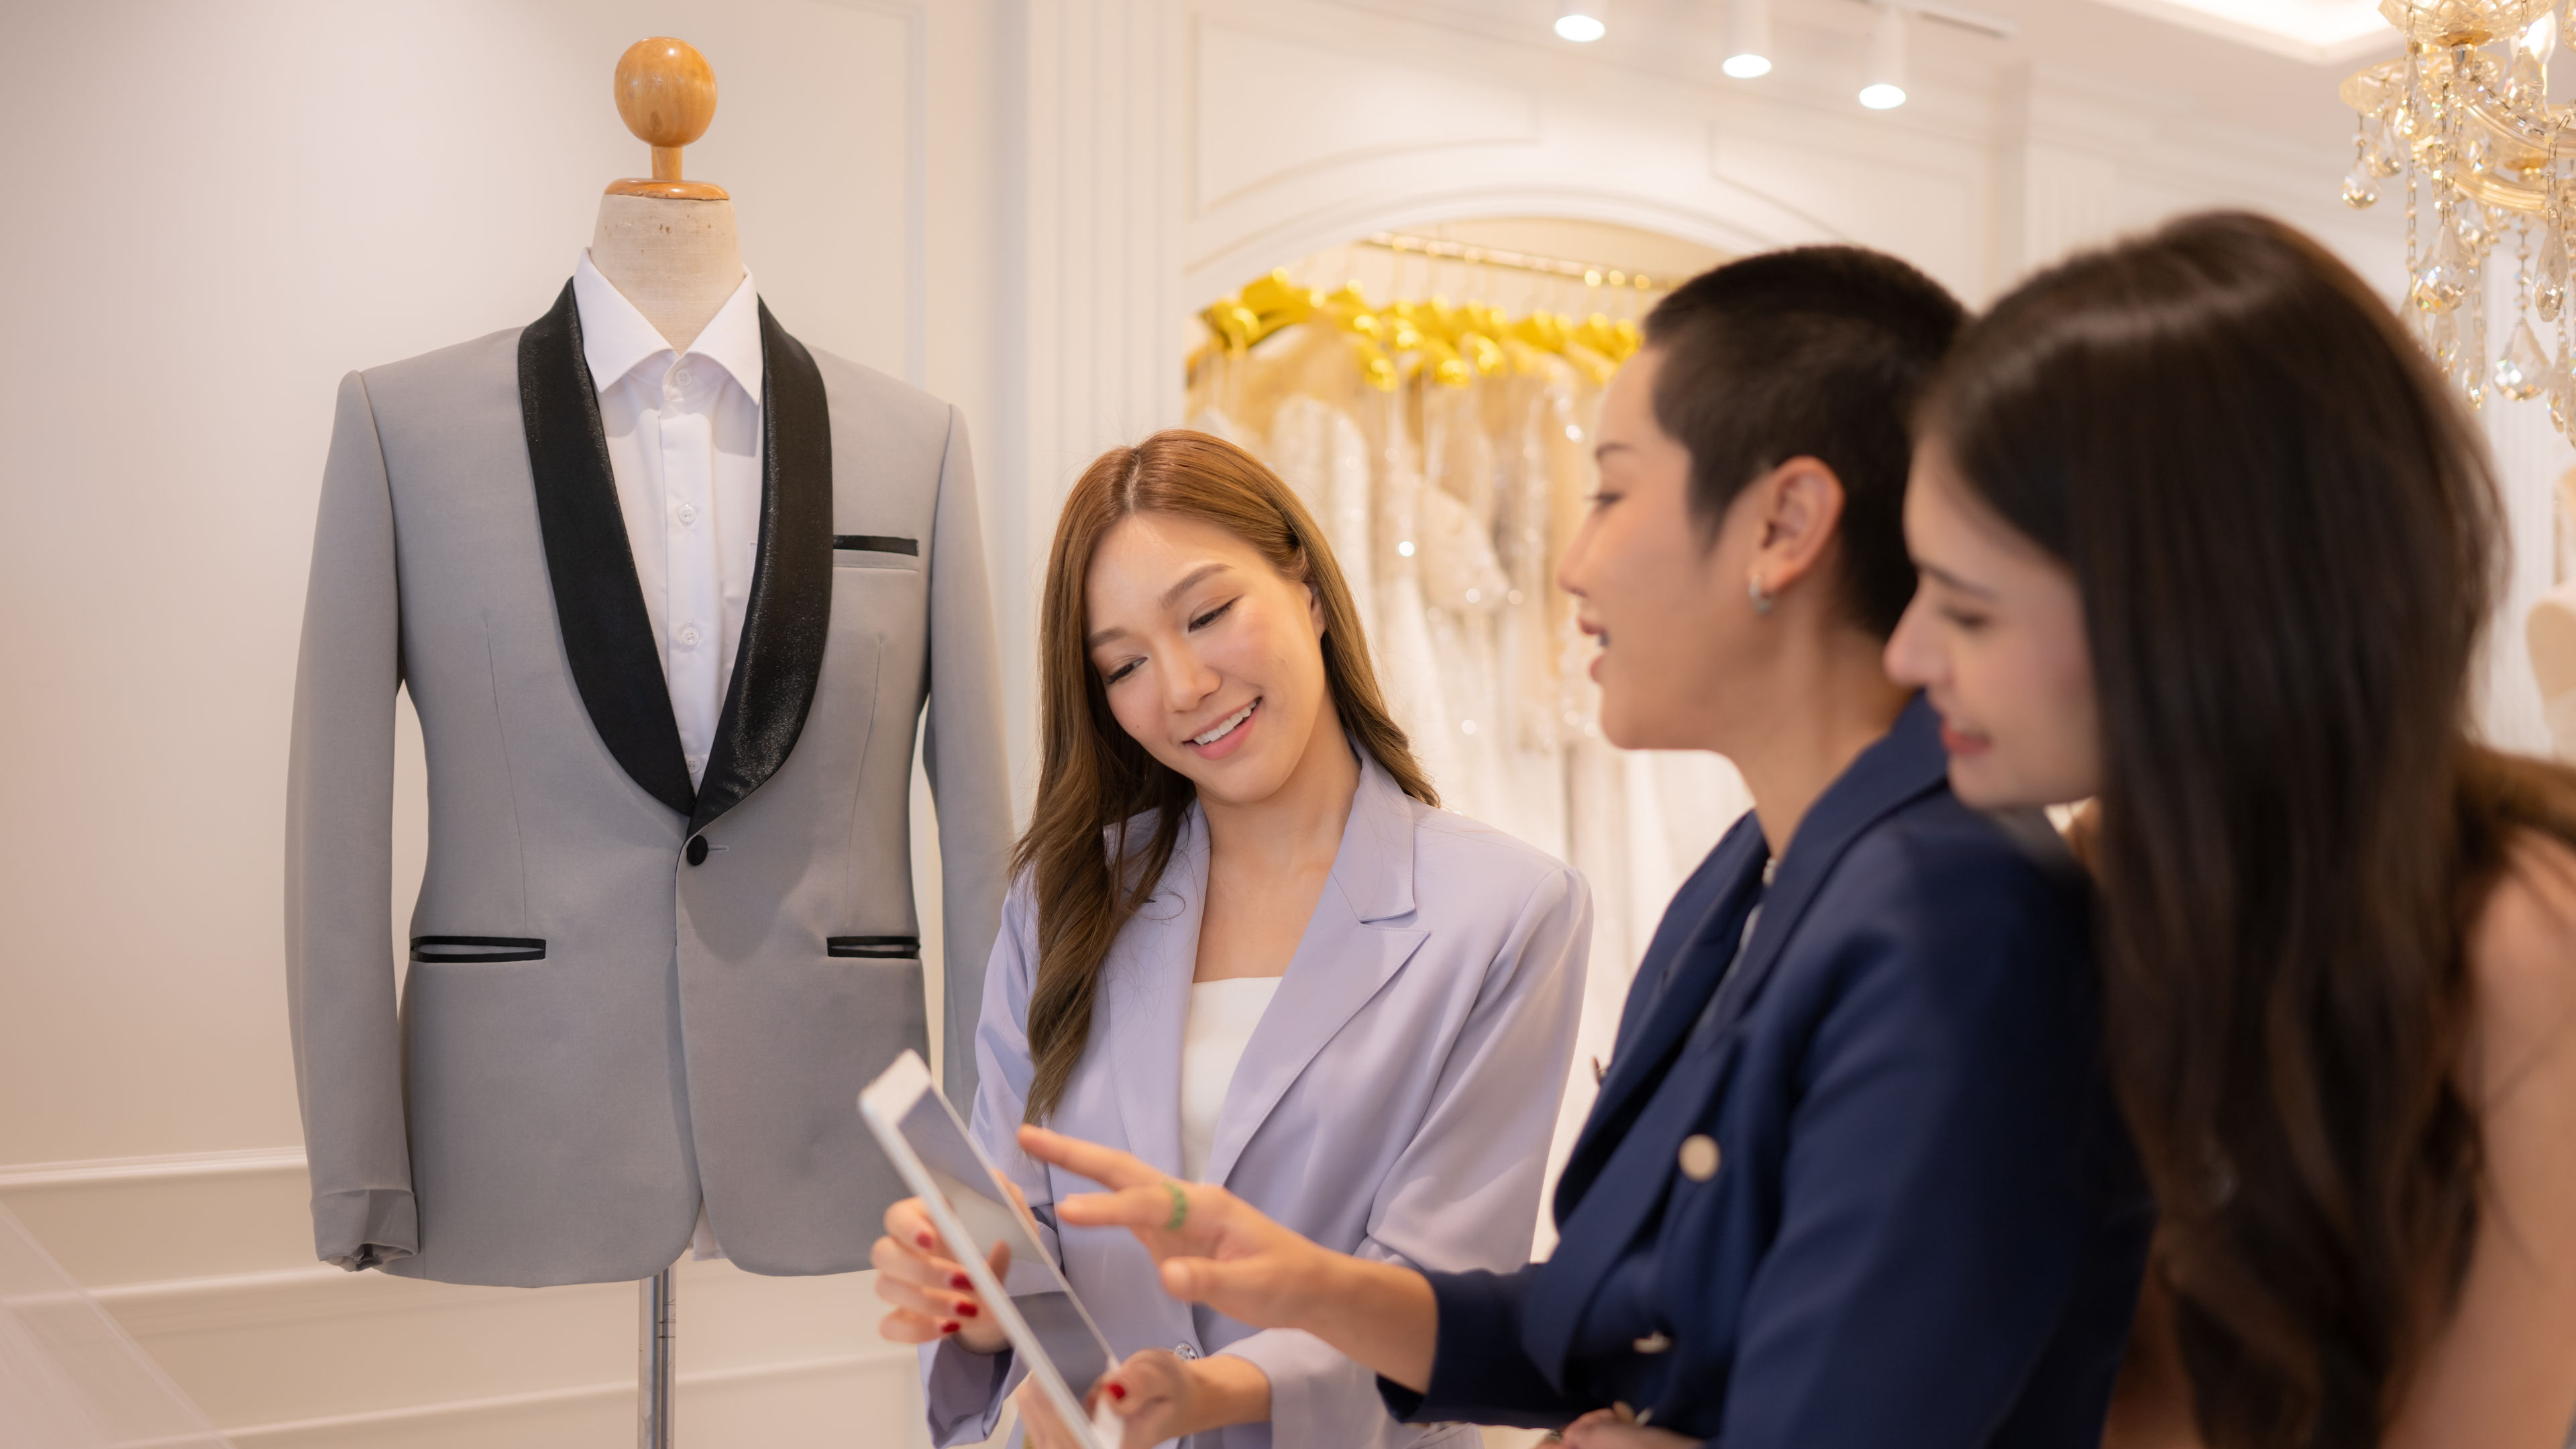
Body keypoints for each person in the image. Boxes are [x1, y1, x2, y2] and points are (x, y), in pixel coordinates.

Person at [1017, 246, 2157, 1448]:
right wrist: (1300, 1281)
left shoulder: (1953, 920)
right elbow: (1608, 1322)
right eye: (1125, 664)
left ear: (1785, 526)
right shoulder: (1740, 881)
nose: (1570, 561)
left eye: (1612, 494)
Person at [1882, 209, 2576, 1449]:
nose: (1907, 653)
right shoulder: (2103, 876)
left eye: (1971, 613)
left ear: (2187, 621)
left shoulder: (2519, 948)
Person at [871, 431, 1593, 1449]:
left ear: (1304, 584)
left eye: (1208, 614)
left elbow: (1433, 1291)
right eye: (1123, 665)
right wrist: (981, 1291)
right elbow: (1018, 1209)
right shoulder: (1066, 895)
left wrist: (1215, 1392)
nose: (1181, 688)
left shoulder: (1507, 911)